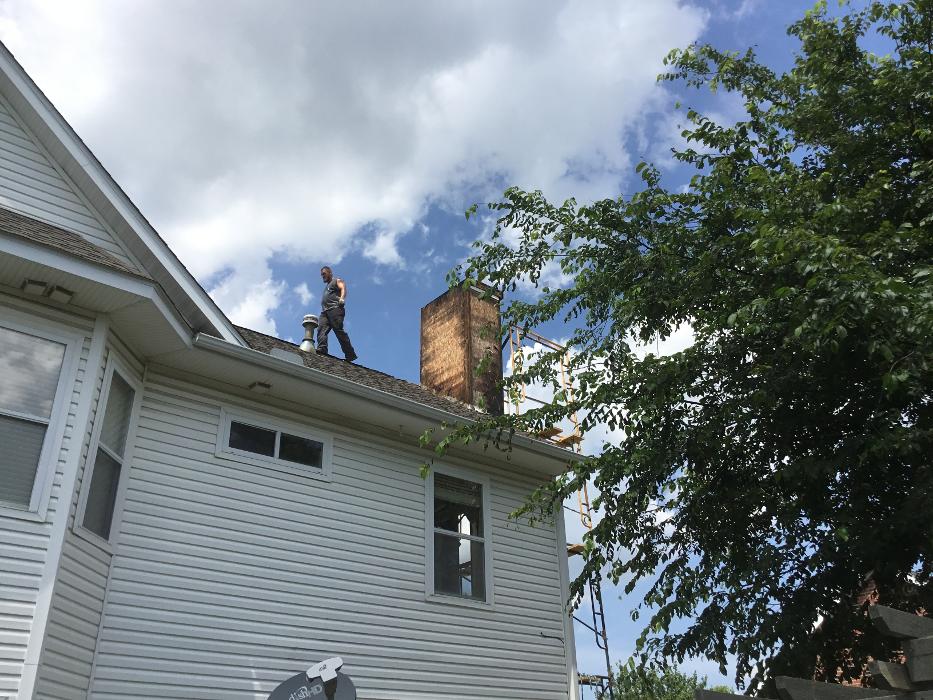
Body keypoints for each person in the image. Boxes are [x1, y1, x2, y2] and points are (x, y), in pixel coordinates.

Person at [316, 266, 357, 362]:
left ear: (330, 273)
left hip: (335, 309)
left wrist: (342, 298)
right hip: (325, 312)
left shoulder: (336, 281)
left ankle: (350, 354)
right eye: (321, 275)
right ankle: (322, 349)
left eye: (324, 274)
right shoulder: (327, 287)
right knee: (321, 329)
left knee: (338, 331)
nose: (323, 276)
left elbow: (343, 287)